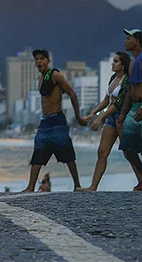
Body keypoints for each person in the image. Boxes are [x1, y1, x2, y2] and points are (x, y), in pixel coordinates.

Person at [22, 49, 87, 193]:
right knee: (38, 152)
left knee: (67, 153)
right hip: (45, 122)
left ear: (48, 61)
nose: (39, 61)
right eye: (36, 59)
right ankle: (30, 187)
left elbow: (72, 93)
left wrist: (78, 117)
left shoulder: (55, 75)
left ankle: (77, 185)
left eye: (42, 59)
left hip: (57, 120)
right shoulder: (40, 79)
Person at [82, 52, 131, 191]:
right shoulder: (113, 78)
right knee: (102, 152)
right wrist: (93, 114)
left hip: (121, 117)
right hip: (111, 118)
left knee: (128, 152)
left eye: (116, 61)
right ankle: (93, 186)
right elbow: (106, 100)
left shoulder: (127, 80)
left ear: (123, 65)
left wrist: (100, 118)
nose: (112, 64)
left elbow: (118, 103)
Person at [118, 29, 142, 191]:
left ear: (137, 41)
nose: (125, 41)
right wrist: (122, 113)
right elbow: (130, 91)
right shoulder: (133, 62)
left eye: (128, 38)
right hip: (134, 107)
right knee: (127, 147)